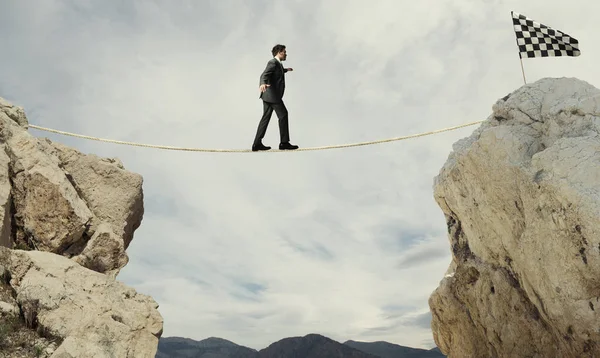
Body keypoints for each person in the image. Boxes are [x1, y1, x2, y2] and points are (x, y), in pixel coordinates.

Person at [252, 44, 299, 151]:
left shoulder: (278, 64)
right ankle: (284, 142)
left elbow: (278, 71)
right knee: (283, 115)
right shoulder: (272, 63)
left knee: (265, 118)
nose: (286, 54)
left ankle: (256, 143)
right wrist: (262, 83)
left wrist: (286, 70)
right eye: (284, 52)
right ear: (279, 52)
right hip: (273, 96)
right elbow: (264, 75)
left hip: (267, 96)